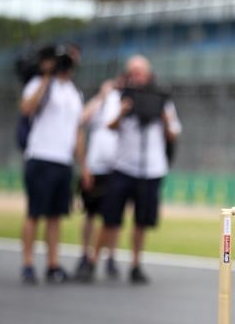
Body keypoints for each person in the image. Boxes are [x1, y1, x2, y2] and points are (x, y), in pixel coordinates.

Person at [84, 55, 181, 284]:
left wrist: (164, 119)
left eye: (141, 72)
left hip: (151, 169)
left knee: (141, 221)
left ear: (148, 74)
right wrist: (122, 111)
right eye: (133, 72)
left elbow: (174, 132)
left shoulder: (162, 99)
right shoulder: (120, 97)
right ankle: (93, 261)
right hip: (123, 166)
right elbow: (108, 125)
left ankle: (136, 264)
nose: (137, 76)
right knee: (110, 218)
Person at [19, 44, 84, 284]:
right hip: (40, 157)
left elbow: (78, 132)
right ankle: (27, 263)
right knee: (34, 212)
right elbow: (26, 109)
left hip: (63, 161)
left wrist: (83, 165)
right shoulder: (39, 84)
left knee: (56, 215)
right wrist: (46, 76)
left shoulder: (75, 94)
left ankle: (52, 263)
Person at [73, 76, 122, 282]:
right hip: (95, 167)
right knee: (90, 213)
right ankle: (85, 253)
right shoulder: (100, 103)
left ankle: (111, 256)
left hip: (117, 166)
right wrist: (101, 96)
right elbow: (81, 119)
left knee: (113, 217)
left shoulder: (124, 103)